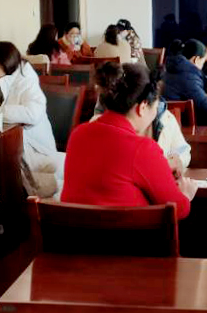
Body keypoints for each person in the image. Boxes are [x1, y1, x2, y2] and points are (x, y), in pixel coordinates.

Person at [61, 62, 196, 218]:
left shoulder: (78, 135)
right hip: (124, 233)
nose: (155, 113)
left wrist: (161, 168)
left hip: (72, 231)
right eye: (155, 107)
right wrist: (186, 194)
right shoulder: (143, 148)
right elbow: (178, 208)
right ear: (142, 107)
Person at [0, 41, 63, 198]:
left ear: (8, 64)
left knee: (7, 172)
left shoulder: (26, 79)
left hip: (32, 146)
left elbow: (32, 114)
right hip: (1, 140)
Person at [162, 39, 207, 116]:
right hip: (179, 121)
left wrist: (206, 96)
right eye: (203, 61)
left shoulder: (170, 68)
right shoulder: (189, 76)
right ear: (196, 59)